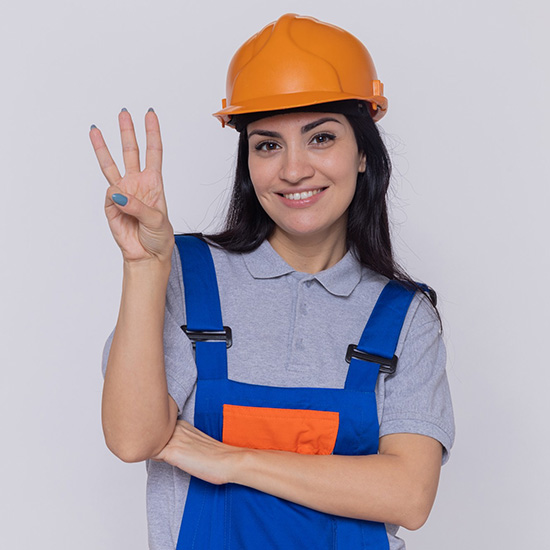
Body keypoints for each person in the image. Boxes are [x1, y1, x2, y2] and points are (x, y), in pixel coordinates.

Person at [90, 13, 454, 550]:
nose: (293, 170)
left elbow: (409, 495)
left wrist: (232, 460)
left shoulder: (403, 317)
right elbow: (132, 438)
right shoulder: (186, 276)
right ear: (248, 162)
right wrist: (144, 269)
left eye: (321, 138)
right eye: (267, 145)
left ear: (362, 154)